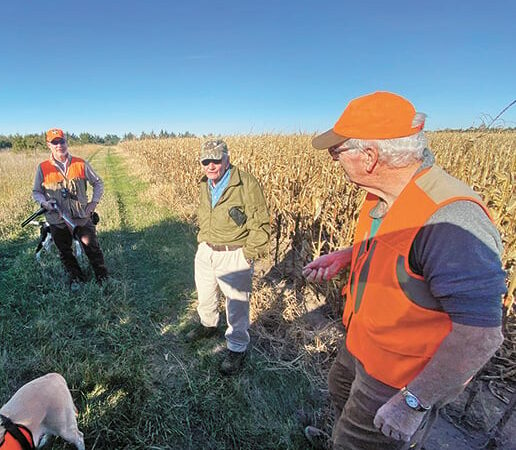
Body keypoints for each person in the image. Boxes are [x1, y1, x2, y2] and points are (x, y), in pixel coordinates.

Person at [303, 92, 506, 448]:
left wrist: (413, 402)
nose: (334, 161)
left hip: (398, 378)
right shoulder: (381, 197)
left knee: (364, 440)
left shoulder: (449, 220)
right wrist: (349, 255)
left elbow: (481, 336)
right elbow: (403, 250)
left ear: (369, 157)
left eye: (337, 153)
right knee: (341, 398)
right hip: (361, 345)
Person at [185, 139, 270, 375]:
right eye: (206, 161)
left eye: (216, 160)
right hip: (206, 250)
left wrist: (248, 255)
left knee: (237, 304)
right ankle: (208, 325)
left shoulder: (245, 183)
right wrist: (203, 241)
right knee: (205, 294)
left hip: (234, 254)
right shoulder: (205, 183)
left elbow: (261, 223)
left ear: (227, 159)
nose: (211, 165)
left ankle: (237, 347)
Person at [32, 128, 108, 288]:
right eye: (54, 142)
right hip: (57, 220)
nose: (59, 145)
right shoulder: (43, 167)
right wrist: (44, 203)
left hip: (81, 217)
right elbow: (37, 192)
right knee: (65, 252)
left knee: (92, 248)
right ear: (49, 145)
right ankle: (77, 279)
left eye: (62, 141)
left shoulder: (80, 163)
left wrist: (93, 203)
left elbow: (98, 183)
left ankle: (103, 278)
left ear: (66, 142)